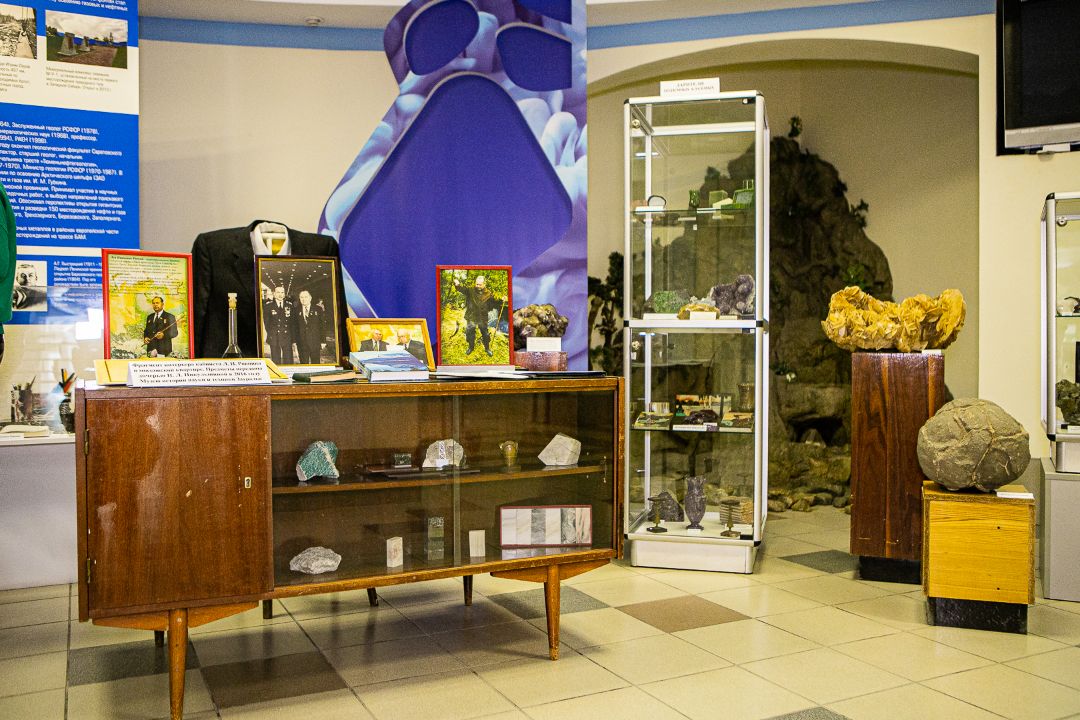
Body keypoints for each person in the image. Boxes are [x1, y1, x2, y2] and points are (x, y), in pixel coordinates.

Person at [453, 274, 502, 356]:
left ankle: (487, 348)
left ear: (484, 284)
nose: (478, 286)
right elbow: (462, 289)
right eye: (477, 284)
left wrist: (502, 299)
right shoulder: (470, 291)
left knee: (485, 334)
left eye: (480, 284)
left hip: (482, 317)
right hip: (471, 316)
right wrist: (457, 285)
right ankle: (471, 347)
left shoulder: (489, 294)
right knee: (470, 332)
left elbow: (495, 302)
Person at [262, 285, 294, 364]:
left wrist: (292, 336)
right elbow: (267, 323)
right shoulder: (268, 306)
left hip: (287, 337)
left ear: (284, 294)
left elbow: (292, 323)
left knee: (288, 360)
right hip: (274, 336)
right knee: (276, 361)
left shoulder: (289, 305)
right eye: (278, 292)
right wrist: (272, 334)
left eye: (282, 292)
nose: (280, 294)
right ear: (274, 294)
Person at [292, 290, 324, 363]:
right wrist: (294, 341)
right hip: (301, 343)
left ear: (310, 298)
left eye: (306, 297)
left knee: (316, 364)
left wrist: (323, 341)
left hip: (315, 342)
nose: (304, 299)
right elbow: (294, 327)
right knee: (303, 363)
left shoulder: (318, 309)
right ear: (299, 299)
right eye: (301, 297)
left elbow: (322, 326)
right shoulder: (296, 310)